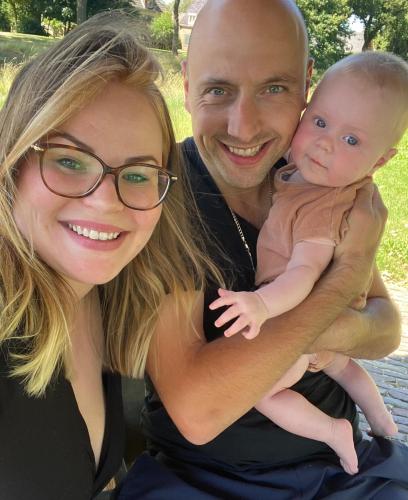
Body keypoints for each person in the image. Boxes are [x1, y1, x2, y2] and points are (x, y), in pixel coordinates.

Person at [119, 1, 408, 499]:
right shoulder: (167, 200)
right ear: (186, 84)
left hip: (346, 470)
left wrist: (322, 334)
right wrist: (347, 274)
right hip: (211, 481)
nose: (244, 127)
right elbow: (198, 411)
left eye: (274, 89)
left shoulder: (315, 178)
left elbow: (385, 329)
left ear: (307, 86)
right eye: (218, 89)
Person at [0, 11, 216, 500]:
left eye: (138, 174)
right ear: (12, 162)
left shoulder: (110, 298)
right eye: (69, 160)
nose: (105, 202)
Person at [209, 50, 408, 475]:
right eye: (319, 122)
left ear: (380, 161)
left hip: (299, 313)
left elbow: (304, 272)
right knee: (343, 367)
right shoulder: (310, 176)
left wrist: (260, 305)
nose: (325, 143)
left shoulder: (323, 207)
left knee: (263, 393)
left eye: (351, 141)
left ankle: (332, 431)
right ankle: (383, 421)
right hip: (334, 319)